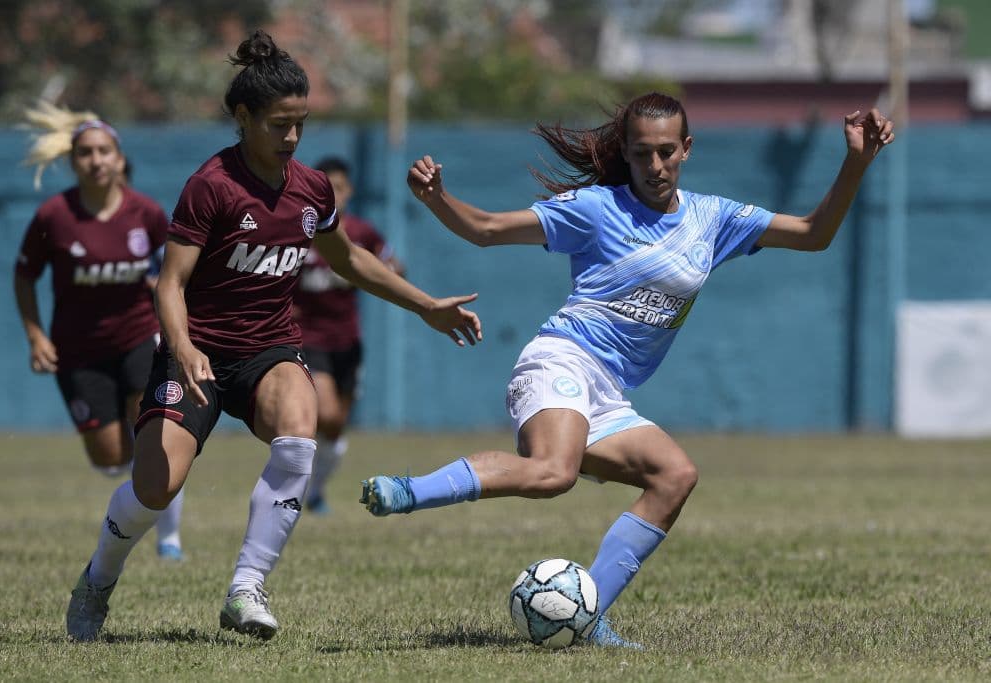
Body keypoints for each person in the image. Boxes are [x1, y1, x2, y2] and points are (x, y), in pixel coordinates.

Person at [360, 92, 895, 648]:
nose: (655, 166)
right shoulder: (596, 208)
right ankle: (409, 490)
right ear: (628, 154)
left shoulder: (713, 219)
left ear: (687, 149)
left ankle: (586, 615)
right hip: (560, 360)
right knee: (552, 473)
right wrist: (438, 197)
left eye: (667, 152)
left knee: (675, 476)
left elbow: (814, 234)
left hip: (608, 392)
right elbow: (489, 228)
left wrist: (856, 161)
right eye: (642, 154)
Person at [65, 29, 482, 642]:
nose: (291, 138)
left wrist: (425, 306)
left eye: (300, 125)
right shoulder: (213, 186)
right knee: (156, 487)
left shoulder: (312, 190)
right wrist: (181, 348)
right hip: (196, 352)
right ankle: (97, 579)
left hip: (272, 349)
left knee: (299, 425)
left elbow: (351, 260)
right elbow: (170, 284)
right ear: (243, 117)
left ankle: (246, 589)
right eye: (278, 125)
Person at [13, 101, 186, 562]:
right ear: (73, 161)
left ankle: (169, 539)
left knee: (152, 435)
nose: (96, 160)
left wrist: (162, 289)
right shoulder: (54, 216)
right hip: (78, 350)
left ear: (119, 157)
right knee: (110, 457)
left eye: (104, 151)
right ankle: (139, 487)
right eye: (86, 152)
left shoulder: (146, 213)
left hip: (139, 339)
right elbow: (24, 275)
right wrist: (35, 335)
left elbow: (172, 271)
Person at [292, 156, 404, 514]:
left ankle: (316, 491)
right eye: (326, 187)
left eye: (338, 187)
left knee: (336, 425)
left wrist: (386, 271)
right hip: (309, 339)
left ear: (349, 190)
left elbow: (393, 266)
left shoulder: (361, 233)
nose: (333, 194)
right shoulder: (300, 232)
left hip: (348, 342)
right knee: (324, 413)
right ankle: (297, 484)